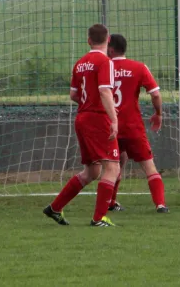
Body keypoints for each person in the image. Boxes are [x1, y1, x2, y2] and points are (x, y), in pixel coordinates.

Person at [43, 24, 120, 227]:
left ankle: (55, 207)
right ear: (108, 39)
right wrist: (114, 119)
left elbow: (74, 95)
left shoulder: (80, 63)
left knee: (92, 171)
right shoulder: (105, 61)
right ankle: (99, 218)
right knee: (112, 167)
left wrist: (89, 104)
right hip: (97, 119)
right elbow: (104, 91)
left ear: (88, 40)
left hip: (82, 118)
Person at [106, 34, 169, 213]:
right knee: (148, 165)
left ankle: (109, 202)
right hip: (132, 126)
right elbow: (156, 94)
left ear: (110, 49)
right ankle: (160, 205)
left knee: (113, 165)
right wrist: (158, 114)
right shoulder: (138, 67)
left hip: (111, 125)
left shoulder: (104, 68)